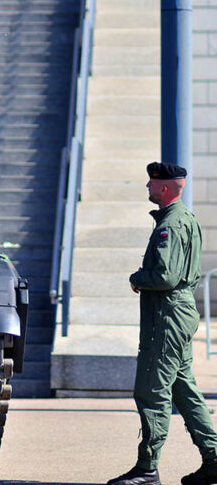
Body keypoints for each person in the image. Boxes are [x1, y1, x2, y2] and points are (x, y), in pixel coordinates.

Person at [108, 162, 217, 485]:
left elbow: (165, 276)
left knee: (151, 390)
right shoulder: (186, 218)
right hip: (179, 313)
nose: (147, 186)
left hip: (166, 316)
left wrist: (137, 278)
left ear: (165, 187)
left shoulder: (170, 224)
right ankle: (214, 459)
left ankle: (147, 468)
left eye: (152, 183)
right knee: (184, 390)